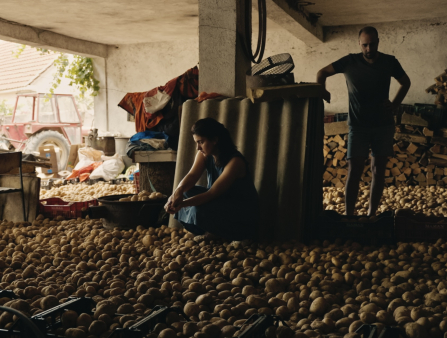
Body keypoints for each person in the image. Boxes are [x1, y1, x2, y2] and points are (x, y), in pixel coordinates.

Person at [316, 26, 411, 216]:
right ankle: (349, 215)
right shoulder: (349, 61)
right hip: (358, 126)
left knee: (378, 169)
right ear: (359, 44)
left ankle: (371, 214)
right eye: (365, 45)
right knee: (354, 169)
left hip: (383, 125)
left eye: (372, 44)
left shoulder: (389, 62)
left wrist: (395, 104)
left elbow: (405, 82)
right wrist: (323, 91)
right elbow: (321, 73)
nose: (369, 48)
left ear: (378, 42)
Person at [164, 118, 260, 240]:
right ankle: (214, 232)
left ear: (215, 140)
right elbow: (192, 176)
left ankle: (227, 234)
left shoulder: (235, 162)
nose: (198, 148)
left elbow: (212, 194)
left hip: (239, 212)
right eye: (196, 142)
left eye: (201, 142)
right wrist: (176, 194)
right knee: (186, 192)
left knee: (196, 210)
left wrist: (181, 204)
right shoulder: (204, 154)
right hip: (219, 203)